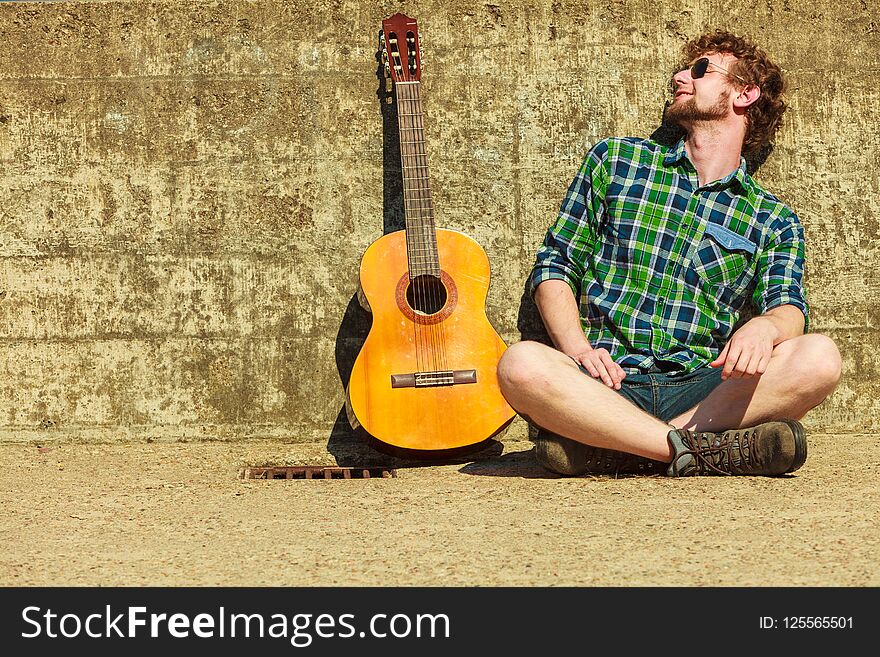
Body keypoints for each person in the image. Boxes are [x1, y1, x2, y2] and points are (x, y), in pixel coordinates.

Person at [497, 30, 842, 477]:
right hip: (605, 382)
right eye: (682, 70)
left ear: (745, 93)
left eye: (700, 69)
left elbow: (789, 310)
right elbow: (555, 266)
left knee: (819, 356)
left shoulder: (772, 218)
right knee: (520, 364)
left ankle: (624, 447)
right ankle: (704, 451)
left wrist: (764, 326)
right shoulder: (617, 162)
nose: (681, 77)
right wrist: (577, 348)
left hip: (703, 390)